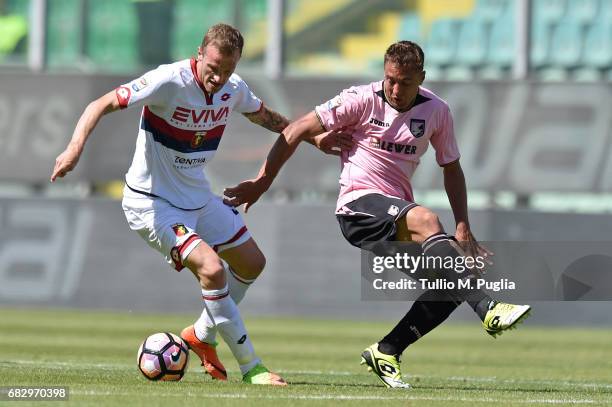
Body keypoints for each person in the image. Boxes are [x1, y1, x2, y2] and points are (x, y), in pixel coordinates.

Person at [50, 23, 347, 386]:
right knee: (211, 268)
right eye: (214, 67)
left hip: (197, 197)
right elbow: (101, 103)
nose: (219, 77)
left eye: (228, 70)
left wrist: (314, 139)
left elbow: (267, 118)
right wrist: (74, 147)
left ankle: (201, 336)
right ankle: (251, 366)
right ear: (200, 54)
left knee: (252, 263)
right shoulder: (169, 80)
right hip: (151, 204)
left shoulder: (233, 89)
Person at [224, 41, 532, 388]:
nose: (396, 89)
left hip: (394, 214)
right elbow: (295, 130)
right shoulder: (359, 99)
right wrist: (262, 182)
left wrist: (463, 226)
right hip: (358, 206)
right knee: (429, 221)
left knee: (448, 286)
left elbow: (452, 168)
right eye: (390, 80)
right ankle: (488, 308)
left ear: (422, 78)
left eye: (405, 82)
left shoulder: (437, 111)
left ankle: (387, 350)